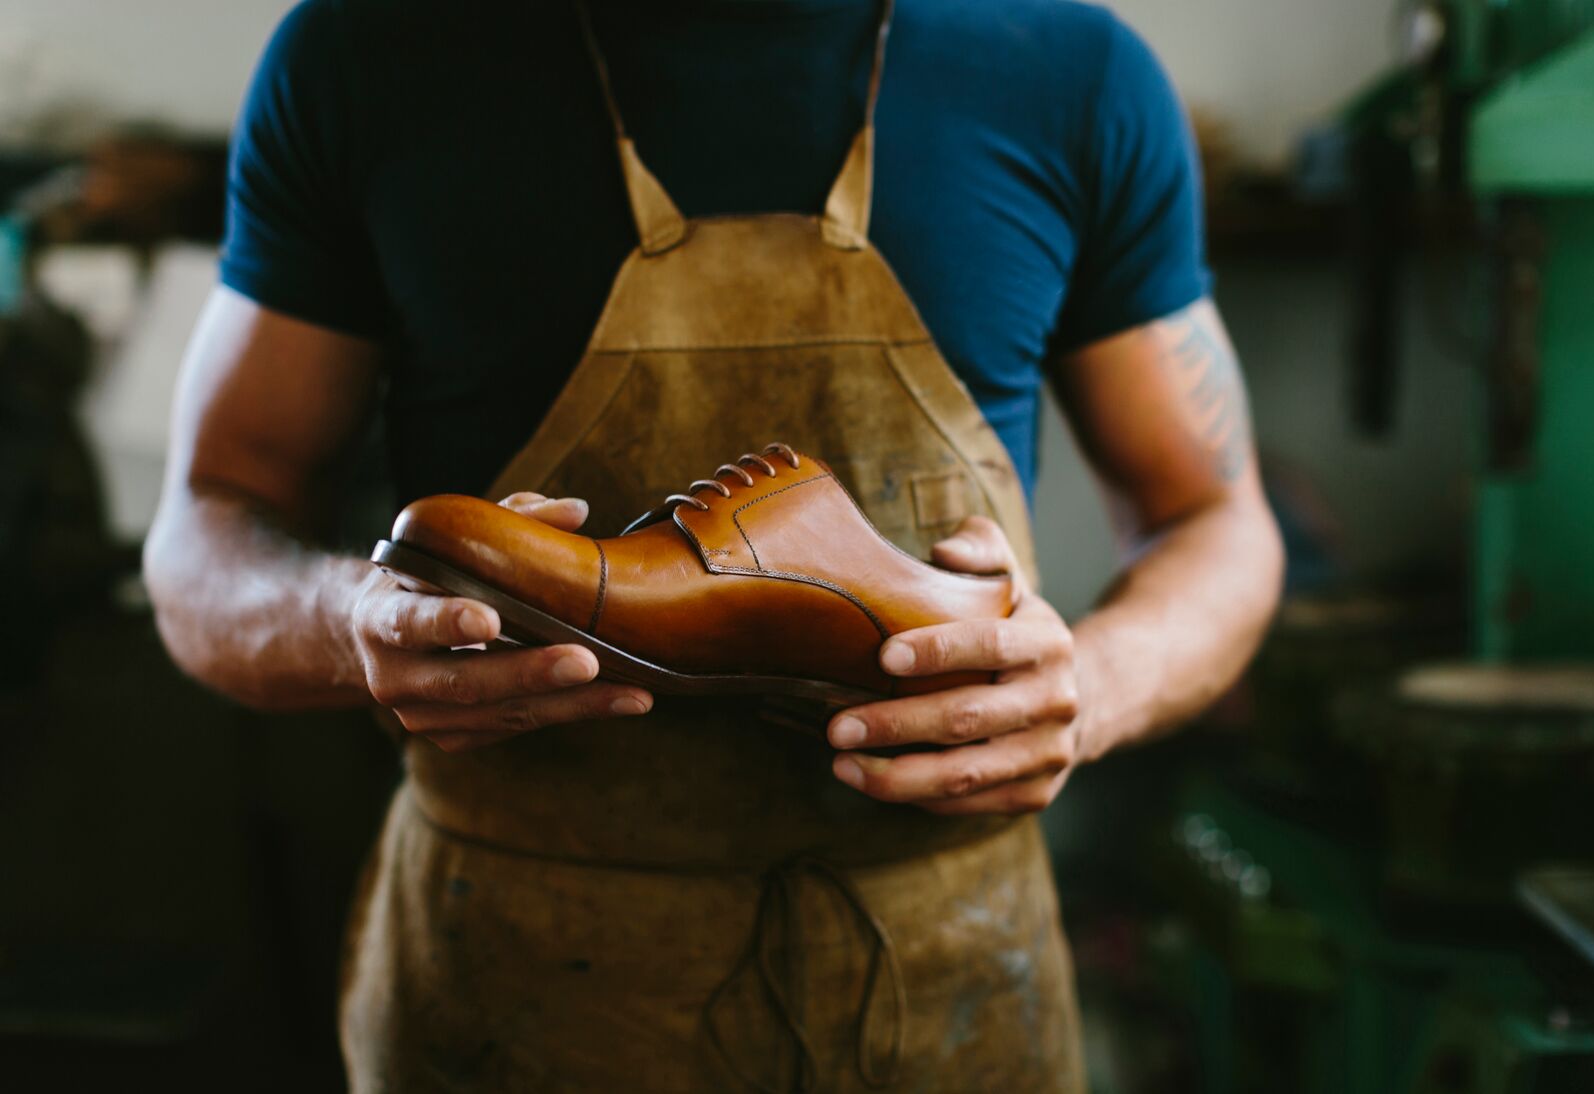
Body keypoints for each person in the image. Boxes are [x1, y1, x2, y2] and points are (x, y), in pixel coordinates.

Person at [144, 0, 1283, 1089]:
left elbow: (1214, 517)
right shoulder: (362, 60)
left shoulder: (1069, 76)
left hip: (948, 989)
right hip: (521, 994)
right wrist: (349, 625)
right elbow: (209, 523)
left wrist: (1094, 686)